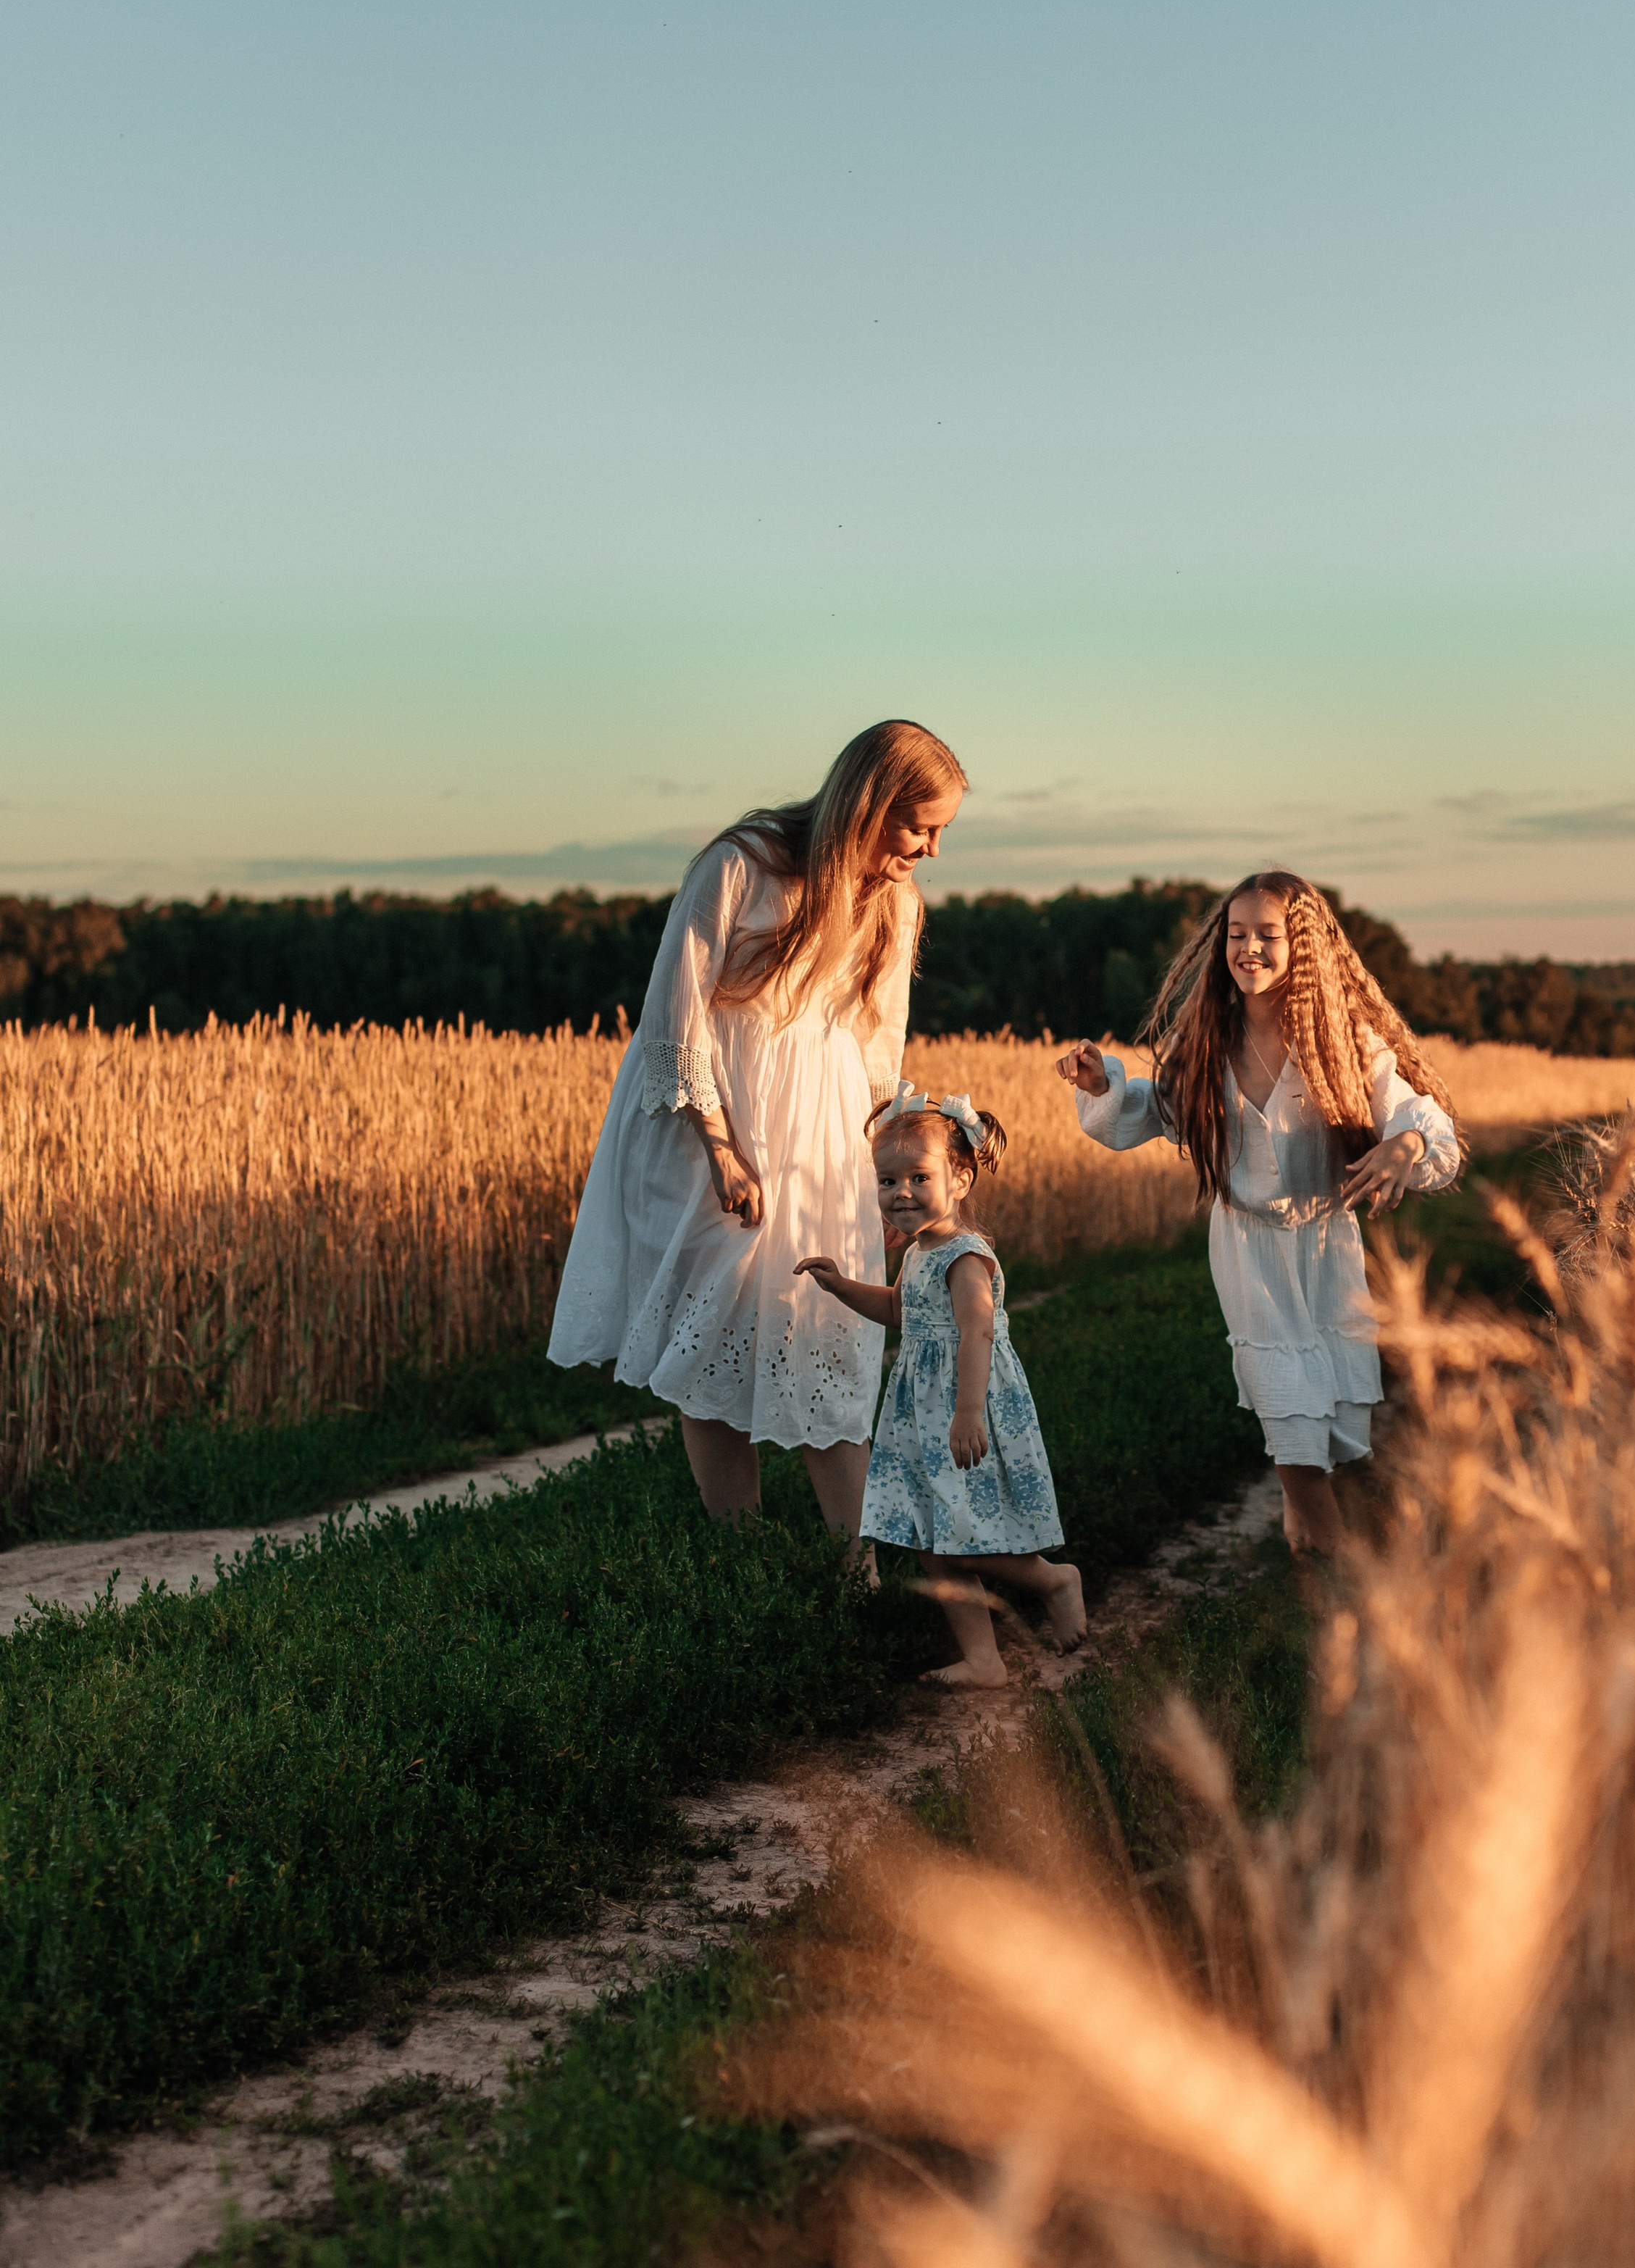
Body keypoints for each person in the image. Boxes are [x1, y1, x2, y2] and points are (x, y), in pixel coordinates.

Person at [548, 720, 965, 1547]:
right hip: (712, 1120)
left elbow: (881, 1051)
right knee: (714, 1330)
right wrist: (719, 1147)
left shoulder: (894, 904)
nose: (930, 848)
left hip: (821, 1128)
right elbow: (677, 1007)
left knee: (825, 1329)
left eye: (940, 831)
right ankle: (741, 1553)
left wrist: (882, 1177)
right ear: (869, 804)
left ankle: (858, 1567)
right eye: (920, 825)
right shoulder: (739, 865)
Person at [1057, 872, 1460, 1559]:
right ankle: (1344, 1588)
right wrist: (1102, 1086)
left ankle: (1307, 1560)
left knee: (1328, 1437)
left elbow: (1427, 1126)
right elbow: (1156, 1112)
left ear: (1302, 946)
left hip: (1328, 1252)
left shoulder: (1345, 1045)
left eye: (1267, 935)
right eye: (1236, 935)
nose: (1248, 949)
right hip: (1250, 1257)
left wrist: (1408, 1144)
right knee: (1295, 1435)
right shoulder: (1207, 1045)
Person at [797, 1084, 1084, 1688]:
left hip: (963, 1409)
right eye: (887, 1180)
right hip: (923, 1412)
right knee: (931, 1536)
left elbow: (976, 1333)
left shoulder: (964, 1256)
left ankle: (1055, 1580)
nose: (901, 1192)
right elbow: (902, 1312)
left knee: (960, 1537)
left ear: (959, 1178)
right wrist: (841, 1285)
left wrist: (967, 1412)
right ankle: (984, 1658)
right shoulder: (918, 1252)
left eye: (918, 1178)